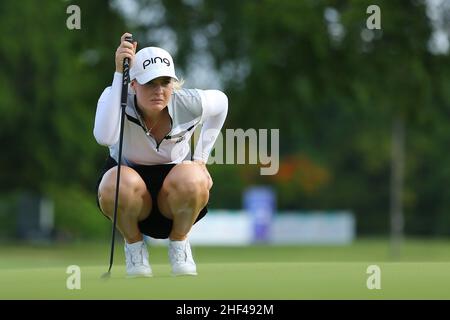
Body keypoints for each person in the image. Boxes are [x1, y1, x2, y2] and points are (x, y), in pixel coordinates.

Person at [93, 33, 228, 277]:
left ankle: (180, 244)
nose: (159, 90)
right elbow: (104, 136)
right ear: (133, 84)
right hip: (130, 195)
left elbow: (222, 102)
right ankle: (134, 249)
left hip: (174, 193)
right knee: (115, 182)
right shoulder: (114, 97)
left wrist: (201, 159)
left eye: (165, 82)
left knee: (194, 176)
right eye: (150, 83)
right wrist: (117, 75)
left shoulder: (189, 102)